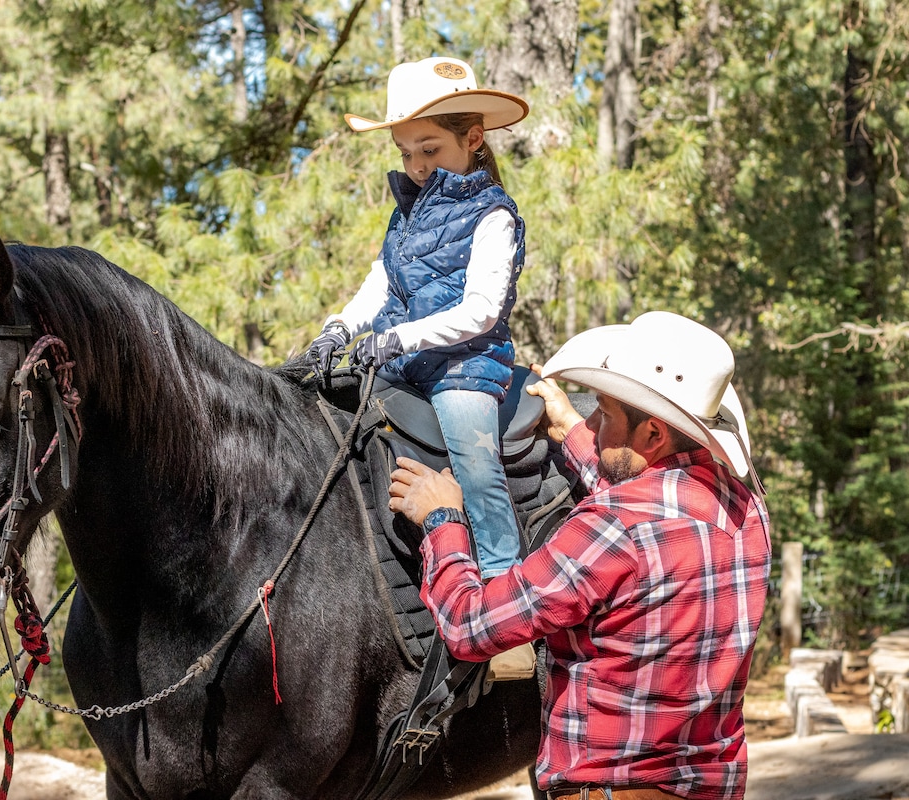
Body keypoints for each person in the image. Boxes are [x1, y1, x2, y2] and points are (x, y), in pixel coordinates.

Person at [388, 311, 772, 800]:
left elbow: (471, 626)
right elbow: (650, 505)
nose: (591, 422)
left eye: (605, 414)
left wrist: (443, 519)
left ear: (653, 435)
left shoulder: (611, 529)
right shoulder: (747, 510)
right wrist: (572, 429)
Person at [308, 55, 530, 584]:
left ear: (473, 138)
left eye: (429, 150)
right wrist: (339, 327)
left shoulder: (493, 214)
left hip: (464, 368)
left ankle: (504, 593)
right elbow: (381, 279)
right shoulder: (407, 211)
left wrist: (396, 337)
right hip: (404, 361)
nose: (417, 165)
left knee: (476, 470)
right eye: (406, 153)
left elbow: (481, 310)